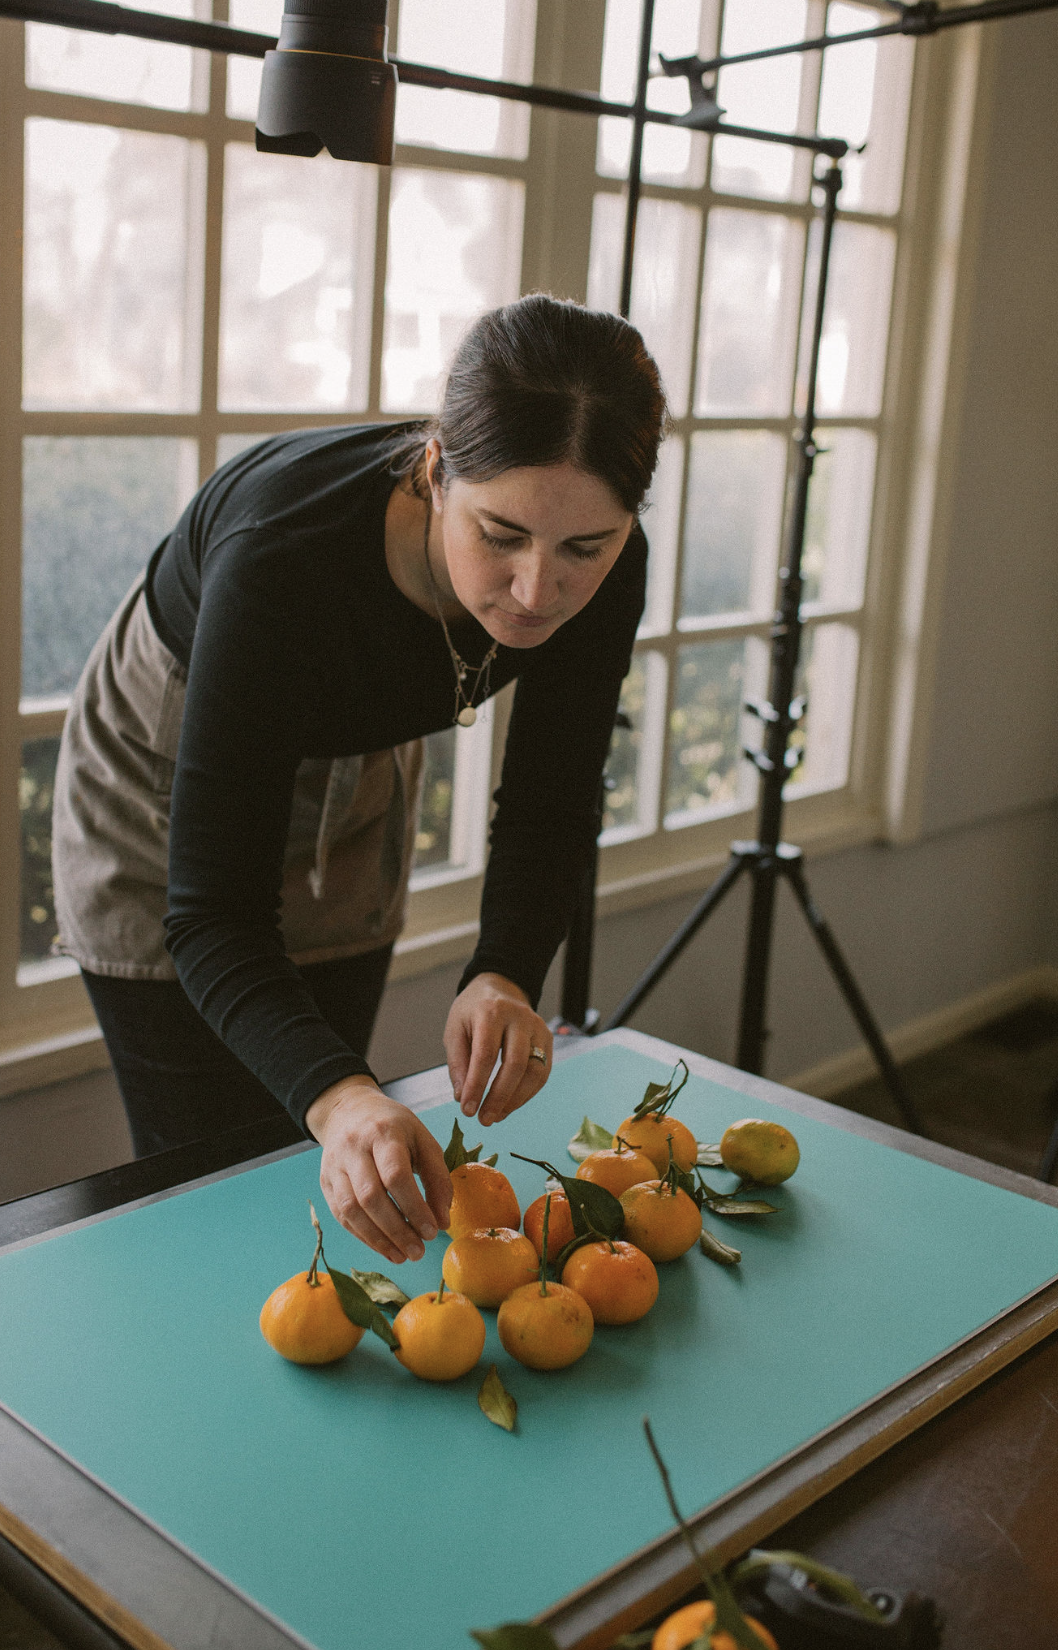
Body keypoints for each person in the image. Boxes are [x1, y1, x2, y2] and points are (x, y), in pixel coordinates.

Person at [52, 293, 665, 1265]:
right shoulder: (280, 555)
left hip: (355, 771)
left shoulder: (607, 557)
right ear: (434, 470)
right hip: (161, 776)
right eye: (499, 534)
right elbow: (210, 911)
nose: (537, 589)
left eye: (581, 548)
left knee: (342, 1152)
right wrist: (338, 1100)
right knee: (210, 1176)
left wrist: (506, 966)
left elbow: (552, 793)